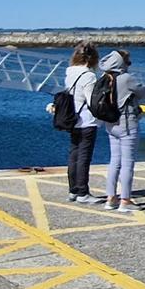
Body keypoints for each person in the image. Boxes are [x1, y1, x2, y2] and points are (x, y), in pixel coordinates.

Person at [95, 49, 145, 215]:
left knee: (114, 161)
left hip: (110, 124)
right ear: (122, 63)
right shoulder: (126, 78)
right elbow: (144, 92)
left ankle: (111, 198)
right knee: (128, 162)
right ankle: (125, 200)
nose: (128, 65)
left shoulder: (104, 78)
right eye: (127, 62)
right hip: (127, 123)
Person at [58, 42, 99, 204]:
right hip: (86, 120)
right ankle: (83, 192)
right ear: (92, 59)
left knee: (73, 155)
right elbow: (91, 100)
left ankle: (73, 190)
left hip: (72, 118)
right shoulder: (89, 76)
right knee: (84, 157)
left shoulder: (70, 73)